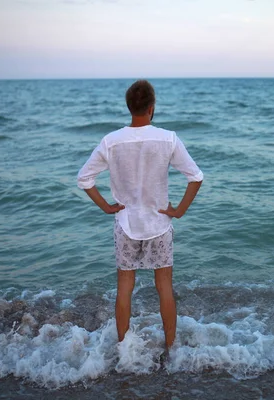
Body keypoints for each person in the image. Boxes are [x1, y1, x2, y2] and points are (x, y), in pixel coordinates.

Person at [77, 80, 203, 354]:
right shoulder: (168, 138)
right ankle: (171, 349)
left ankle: (124, 349)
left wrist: (106, 207)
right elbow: (196, 177)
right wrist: (179, 210)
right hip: (159, 223)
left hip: (126, 223)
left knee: (125, 287)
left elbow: (84, 179)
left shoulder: (111, 141)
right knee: (164, 287)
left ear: (129, 106)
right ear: (152, 107)